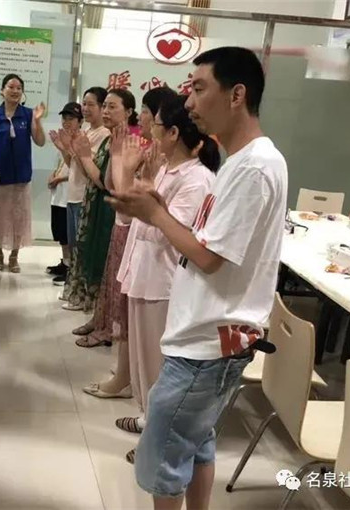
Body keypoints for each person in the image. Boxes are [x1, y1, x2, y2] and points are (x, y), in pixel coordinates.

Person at [107, 47, 287, 510]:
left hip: (207, 344)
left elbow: (208, 258)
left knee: (164, 461)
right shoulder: (241, 162)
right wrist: (157, 208)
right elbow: (207, 242)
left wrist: (154, 214)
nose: (188, 102)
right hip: (208, 335)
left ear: (236, 95)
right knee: (196, 443)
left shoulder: (253, 167)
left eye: (200, 88)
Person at [113, 93, 219, 465]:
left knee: (159, 367)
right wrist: (134, 176)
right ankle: (147, 419)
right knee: (144, 363)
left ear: (173, 132)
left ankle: (157, 441)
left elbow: (169, 232)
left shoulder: (198, 179)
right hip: (143, 274)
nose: (149, 129)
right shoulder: (164, 169)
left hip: (164, 282)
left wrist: (139, 184)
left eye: (155, 123)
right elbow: (127, 218)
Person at [74, 87, 172, 346]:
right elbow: (110, 181)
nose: (142, 117)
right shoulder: (123, 141)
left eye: (147, 111)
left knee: (121, 286)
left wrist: (117, 157)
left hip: (131, 224)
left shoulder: (147, 149)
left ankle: (110, 330)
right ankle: (102, 322)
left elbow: (119, 189)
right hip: (121, 220)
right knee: (110, 278)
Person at [62, 89, 137, 314]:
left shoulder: (128, 142)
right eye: (105, 106)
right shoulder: (110, 139)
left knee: (103, 258)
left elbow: (106, 182)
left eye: (112, 107)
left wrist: (84, 156)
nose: (106, 111)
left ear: (128, 112)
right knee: (89, 252)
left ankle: (102, 312)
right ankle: (94, 308)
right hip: (95, 203)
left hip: (110, 209)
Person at [0, 73, 46, 272]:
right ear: (2, 90)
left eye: (19, 88)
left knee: (19, 218)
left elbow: (40, 141)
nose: (15, 91)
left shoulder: (28, 114)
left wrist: (37, 121)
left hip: (21, 176)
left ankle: (14, 256)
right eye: (11, 87)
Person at [53, 87, 111, 288]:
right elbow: (73, 165)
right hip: (73, 195)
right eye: (84, 104)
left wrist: (75, 150)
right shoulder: (86, 132)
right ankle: (74, 287)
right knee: (73, 246)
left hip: (85, 197)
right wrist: (64, 149)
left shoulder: (104, 134)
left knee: (83, 248)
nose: (85, 108)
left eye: (90, 104)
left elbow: (91, 170)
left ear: (102, 107)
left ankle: (82, 289)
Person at [46, 102, 83, 282]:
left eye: (71, 119)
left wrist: (59, 179)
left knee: (70, 235)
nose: (67, 122)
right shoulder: (62, 138)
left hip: (71, 194)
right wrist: (53, 176)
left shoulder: (81, 140)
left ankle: (71, 267)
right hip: (59, 194)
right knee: (61, 232)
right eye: (64, 119)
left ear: (80, 121)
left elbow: (78, 169)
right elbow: (59, 164)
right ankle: (65, 262)